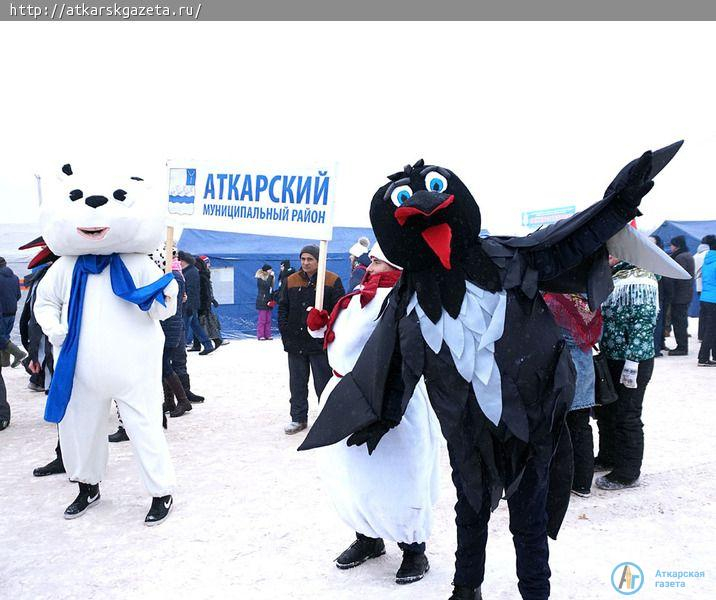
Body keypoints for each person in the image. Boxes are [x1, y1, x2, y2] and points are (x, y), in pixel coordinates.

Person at [306, 244, 439, 584]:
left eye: (377, 259)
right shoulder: (356, 297)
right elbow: (341, 341)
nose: (369, 264)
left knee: (400, 474)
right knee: (353, 474)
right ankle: (367, 536)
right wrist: (319, 327)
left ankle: (413, 547)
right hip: (343, 396)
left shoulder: (405, 300)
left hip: (389, 397)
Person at [595, 259, 658, 490]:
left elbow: (643, 324)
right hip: (611, 357)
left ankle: (627, 471)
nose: (608, 256)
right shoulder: (611, 275)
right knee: (607, 412)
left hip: (633, 360)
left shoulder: (642, 279)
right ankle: (607, 456)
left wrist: (633, 362)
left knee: (627, 414)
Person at [278, 244, 344, 434]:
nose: (306, 263)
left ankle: (328, 418)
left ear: (318, 260)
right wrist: (286, 332)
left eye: (310, 259)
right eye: (303, 259)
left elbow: (340, 310)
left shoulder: (331, 280)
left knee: (323, 383)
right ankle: (298, 418)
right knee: (297, 383)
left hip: (319, 343)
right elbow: (283, 307)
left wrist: (327, 326)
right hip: (295, 342)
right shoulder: (291, 280)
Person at [543, 293, 602, 497]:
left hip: (564, 370)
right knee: (582, 426)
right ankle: (583, 482)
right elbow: (597, 336)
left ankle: (565, 478)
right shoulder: (590, 301)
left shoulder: (555, 301)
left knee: (563, 428)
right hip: (585, 369)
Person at [663, 235, 695, 355]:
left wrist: (670, 293)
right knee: (681, 321)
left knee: (679, 322)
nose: (670, 247)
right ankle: (682, 345)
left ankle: (681, 347)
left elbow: (677, 277)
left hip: (679, 296)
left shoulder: (680, 257)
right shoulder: (687, 255)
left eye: (671, 245)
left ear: (677, 246)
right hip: (685, 294)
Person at [178, 251, 214, 356]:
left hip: (189, 304)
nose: (179, 262)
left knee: (184, 326)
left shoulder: (191, 272)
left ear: (184, 261)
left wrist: (189, 305)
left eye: (180, 260)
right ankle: (208, 345)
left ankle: (180, 348)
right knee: (195, 325)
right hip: (190, 304)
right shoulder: (189, 271)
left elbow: (192, 291)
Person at [0, 256, 27, 370]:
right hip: (12, 312)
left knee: (1, 337)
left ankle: (18, 353)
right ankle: (5, 362)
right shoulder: (15, 277)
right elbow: (18, 295)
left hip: (1, 313)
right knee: (4, 336)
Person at [195, 256, 225, 349]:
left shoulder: (202, 275)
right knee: (200, 323)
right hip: (204, 302)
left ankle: (216, 340)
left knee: (202, 324)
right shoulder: (204, 274)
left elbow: (206, 291)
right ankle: (197, 344)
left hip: (202, 303)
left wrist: (209, 300)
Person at [697, 235, 716, 366]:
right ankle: (703, 358)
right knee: (711, 330)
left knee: (712, 328)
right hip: (714, 299)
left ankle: (714, 356)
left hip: (705, 297)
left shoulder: (708, 259)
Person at [649, 235, 667, 357]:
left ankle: (655, 348)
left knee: (655, 323)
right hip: (653, 295)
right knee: (655, 324)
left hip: (656, 295)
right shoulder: (659, 257)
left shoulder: (658, 258)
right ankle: (655, 348)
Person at [694, 239, 710, 341]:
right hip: (709, 288)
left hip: (699, 287)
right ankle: (707, 335)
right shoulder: (708, 256)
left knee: (703, 312)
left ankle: (701, 335)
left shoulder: (694, 256)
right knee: (710, 314)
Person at [255, 263, 275, 340]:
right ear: (266, 270)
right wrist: (271, 276)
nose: (271, 271)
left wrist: (273, 299)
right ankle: (260, 335)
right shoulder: (260, 278)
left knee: (268, 320)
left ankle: (268, 334)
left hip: (268, 301)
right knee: (262, 320)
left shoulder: (270, 278)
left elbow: (270, 289)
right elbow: (266, 286)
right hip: (262, 301)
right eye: (270, 269)